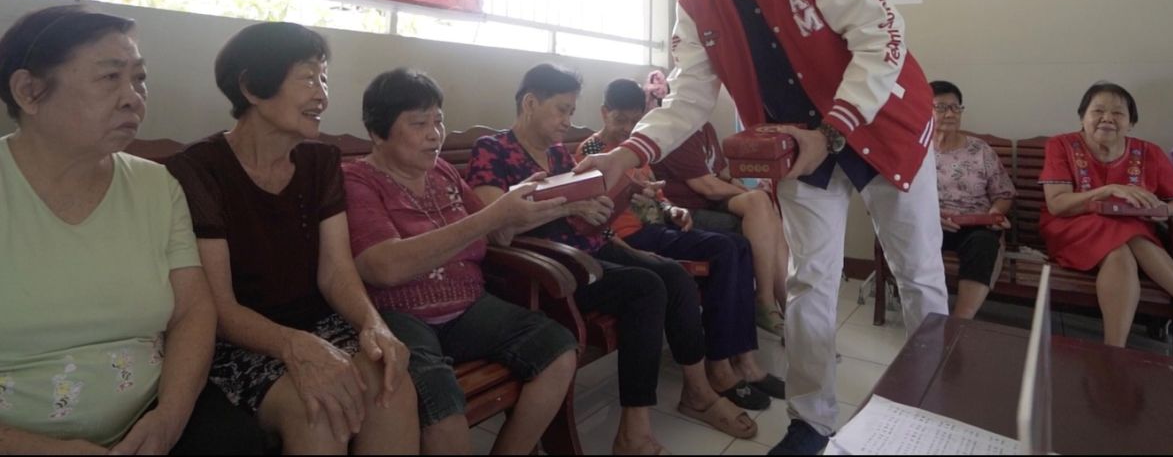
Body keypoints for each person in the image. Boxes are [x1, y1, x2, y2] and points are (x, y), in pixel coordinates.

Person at [576, 0, 948, 455]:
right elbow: (689, 93)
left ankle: (934, 412)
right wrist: (629, 150)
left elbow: (883, 39)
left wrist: (832, 131)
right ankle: (812, 422)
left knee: (919, 275)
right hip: (796, 151)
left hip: (887, 128)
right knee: (810, 282)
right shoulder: (695, 2)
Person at [0, 4, 262, 455]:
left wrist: (169, 419)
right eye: (110, 78)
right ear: (28, 91)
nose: (133, 97)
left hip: (147, 420)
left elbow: (192, 313)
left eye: (139, 78)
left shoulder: (156, 185)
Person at [468, 63, 758, 453]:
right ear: (530, 103)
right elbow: (494, 226)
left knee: (673, 274)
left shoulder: (558, 156)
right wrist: (566, 209)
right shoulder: (493, 150)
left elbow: (586, 209)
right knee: (647, 288)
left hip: (590, 250)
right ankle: (633, 432)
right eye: (561, 110)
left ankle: (698, 390)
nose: (568, 121)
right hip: (552, 269)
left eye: (572, 111)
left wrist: (614, 210)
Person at [165, 22, 419, 454]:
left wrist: (374, 326)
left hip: (317, 325)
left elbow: (337, 272)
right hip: (237, 339)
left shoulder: (320, 162)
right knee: (318, 414)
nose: (322, 93)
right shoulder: (199, 170)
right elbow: (219, 308)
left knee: (390, 387)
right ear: (250, 86)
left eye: (324, 77)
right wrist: (295, 347)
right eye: (307, 77)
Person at [342, 68, 583, 454]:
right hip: (401, 315)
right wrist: (493, 216)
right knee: (441, 403)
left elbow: (496, 233)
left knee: (557, 348)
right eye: (419, 123)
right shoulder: (358, 180)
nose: (435, 134)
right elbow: (383, 267)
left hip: (469, 305)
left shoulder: (442, 171)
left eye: (438, 120)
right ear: (377, 132)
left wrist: (528, 207)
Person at [577, 78, 784, 408]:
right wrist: (624, 241)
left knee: (736, 246)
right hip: (630, 238)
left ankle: (745, 360)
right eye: (621, 120)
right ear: (604, 113)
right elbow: (592, 215)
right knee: (725, 250)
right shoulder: (591, 151)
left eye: (635, 121)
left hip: (658, 228)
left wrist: (673, 209)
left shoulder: (633, 151)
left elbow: (657, 195)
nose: (629, 128)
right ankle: (718, 365)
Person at [1039, 81, 1173, 347]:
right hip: (1071, 227)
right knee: (1128, 234)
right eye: (1098, 110)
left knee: (1121, 248)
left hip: (1130, 235)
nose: (1107, 118)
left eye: (1118, 113)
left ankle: (1114, 350)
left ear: (1131, 122)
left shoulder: (1149, 152)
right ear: (1083, 117)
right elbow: (1057, 204)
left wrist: (1164, 210)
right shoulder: (1061, 144)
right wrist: (1108, 190)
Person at [644, 74, 790, 339]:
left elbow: (721, 172)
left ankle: (787, 306)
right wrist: (746, 192)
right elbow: (706, 186)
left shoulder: (705, 127)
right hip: (686, 211)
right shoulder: (678, 131)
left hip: (711, 203)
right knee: (762, 210)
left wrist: (747, 189)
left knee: (766, 207)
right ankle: (766, 302)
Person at [929, 80, 1014, 319]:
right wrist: (932, 217)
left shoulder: (980, 149)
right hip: (930, 223)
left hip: (975, 225)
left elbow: (1004, 193)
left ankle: (959, 322)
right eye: (941, 107)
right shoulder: (915, 150)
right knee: (913, 238)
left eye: (956, 107)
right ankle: (925, 316)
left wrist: (993, 214)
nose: (950, 113)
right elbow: (901, 198)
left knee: (984, 243)